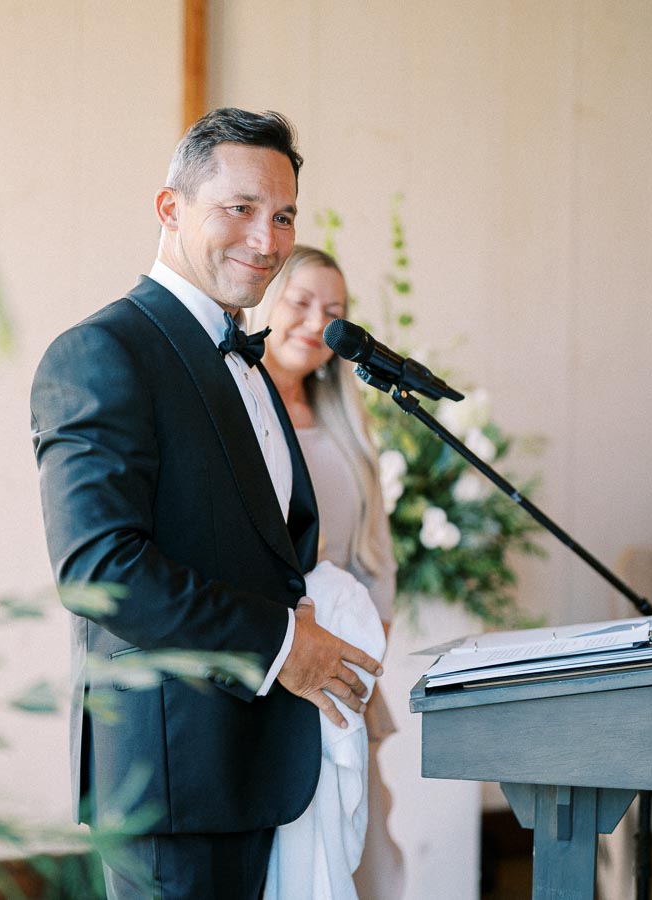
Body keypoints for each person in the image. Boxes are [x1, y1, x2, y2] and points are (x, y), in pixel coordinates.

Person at [30, 108, 383, 900]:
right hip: (174, 784)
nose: (267, 240)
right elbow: (100, 567)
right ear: (170, 210)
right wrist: (282, 646)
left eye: (284, 215)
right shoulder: (102, 353)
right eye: (240, 209)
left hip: (267, 766)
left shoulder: (250, 364)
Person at [247, 246, 404, 897]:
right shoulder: (241, 412)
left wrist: (369, 650)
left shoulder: (346, 426)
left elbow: (374, 554)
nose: (317, 323)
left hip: (348, 665)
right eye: (301, 302)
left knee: (366, 852)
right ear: (266, 302)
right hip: (276, 660)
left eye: (334, 312)